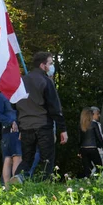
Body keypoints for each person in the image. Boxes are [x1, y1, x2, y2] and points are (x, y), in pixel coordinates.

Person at [14, 52, 67, 182]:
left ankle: (17, 179)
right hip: (43, 125)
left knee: (27, 159)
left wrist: (20, 126)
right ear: (43, 65)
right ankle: (43, 187)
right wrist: (62, 129)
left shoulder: (21, 82)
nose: (52, 66)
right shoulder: (46, 81)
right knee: (47, 160)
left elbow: (15, 105)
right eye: (50, 63)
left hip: (26, 126)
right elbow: (55, 107)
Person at [0, 91, 22, 189]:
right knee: (17, 158)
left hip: (6, 131)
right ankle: (15, 188)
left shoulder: (0, 97)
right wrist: (12, 122)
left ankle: (7, 188)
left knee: (8, 159)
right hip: (13, 131)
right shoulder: (6, 96)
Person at [78, 107, 103, 177]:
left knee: (87, 169)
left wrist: (79, 151)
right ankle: (97, 183)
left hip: (83, 149)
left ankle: (87, 182)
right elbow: (99, 137)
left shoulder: (81, 125)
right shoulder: (94, 124)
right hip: (93, 148)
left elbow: (79, 139)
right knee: (100, 167)